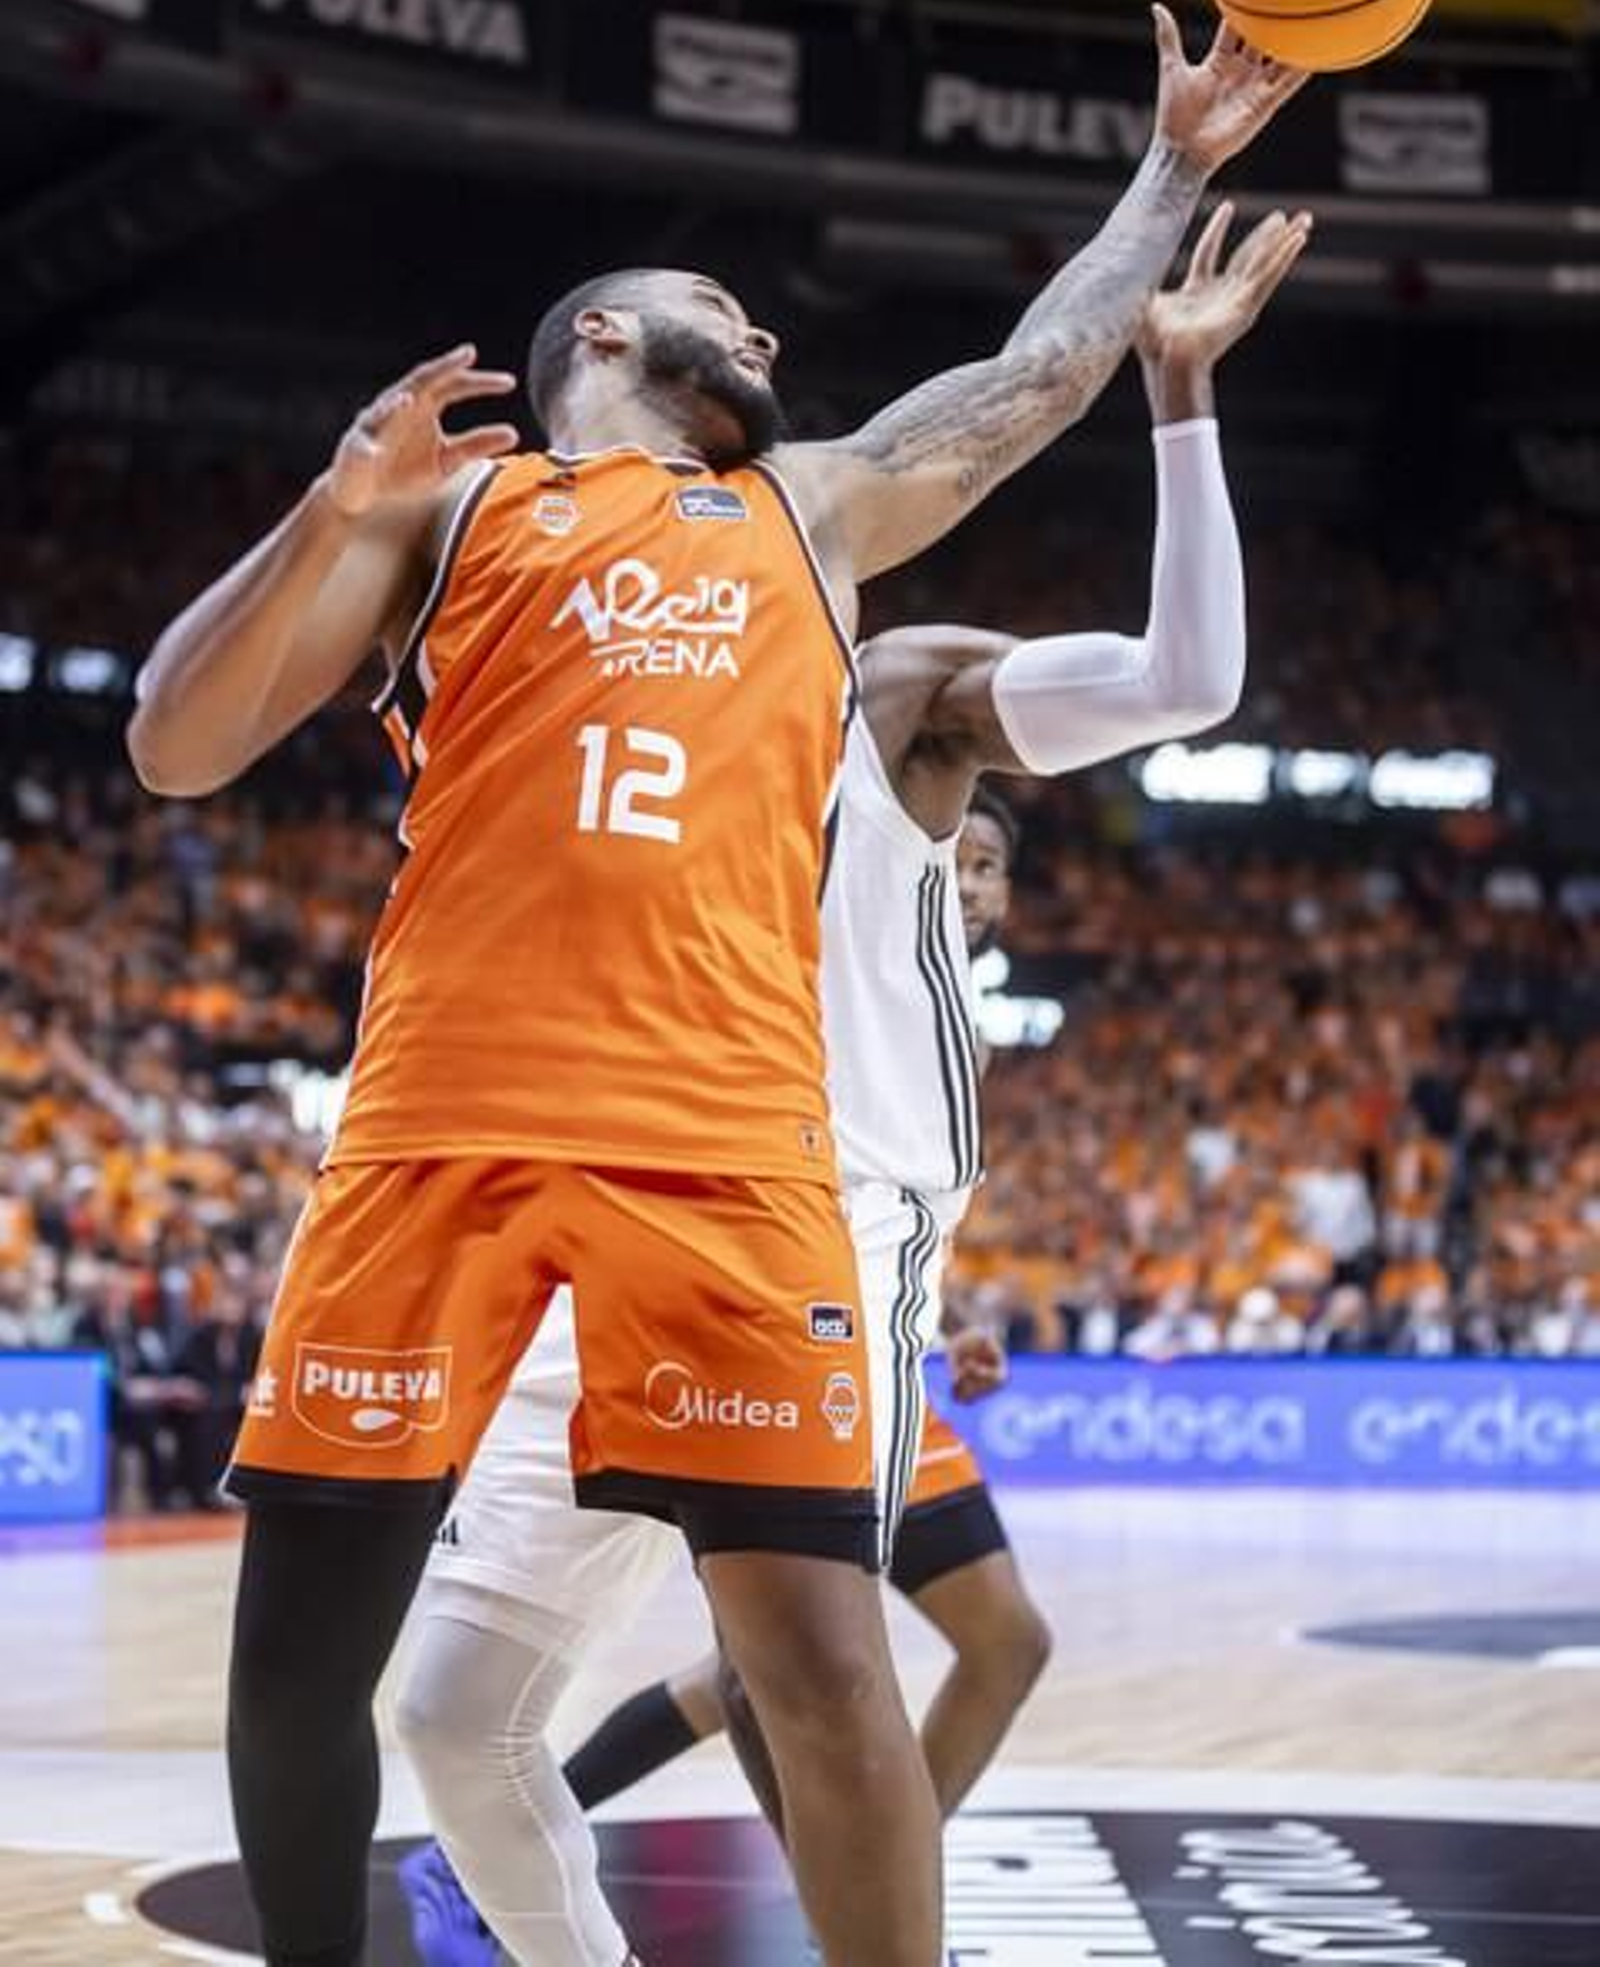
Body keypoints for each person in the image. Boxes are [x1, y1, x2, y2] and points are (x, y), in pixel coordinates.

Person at [127, 11, 1303, 1967]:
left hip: (727, 1146)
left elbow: (1029, 377)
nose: (759, 335)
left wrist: (1168, 173)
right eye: (719, 308)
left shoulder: (814, 507)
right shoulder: (449, 514)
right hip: (443, 1115)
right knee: (316, 1667)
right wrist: (333, 504)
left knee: (823, 1668)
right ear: (598, 337)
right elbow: (177, 743)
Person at [392, 199, 1308, 1966]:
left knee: (791, 1666)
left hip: (833, 1203)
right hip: (609, 1199)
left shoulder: (888, 691)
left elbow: (1192, 679)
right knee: (447, 1713)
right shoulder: (582, 677)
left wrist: (1178, 398)